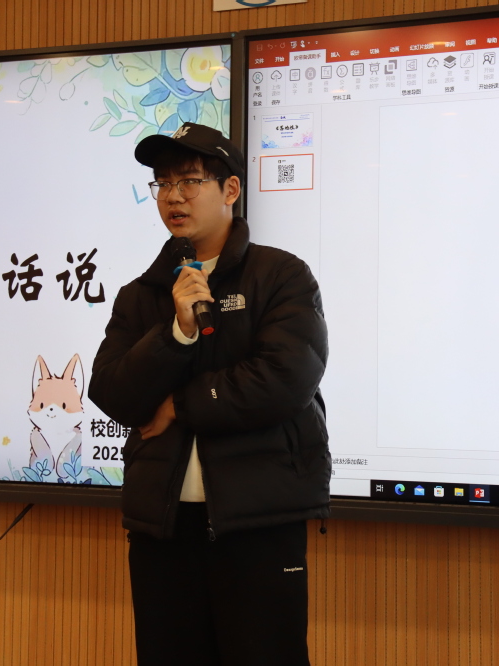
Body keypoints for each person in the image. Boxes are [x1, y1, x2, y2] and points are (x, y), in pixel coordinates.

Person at [89, 122, 330, 666]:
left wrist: (178, 405)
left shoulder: (281, 275)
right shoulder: (142, 294)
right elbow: (111, 391)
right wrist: (176, 334)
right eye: (163, 183)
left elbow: (288, 376)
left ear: (230, 190)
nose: (173, 196)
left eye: (190, 181)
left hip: (258, 522)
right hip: (164, 528)